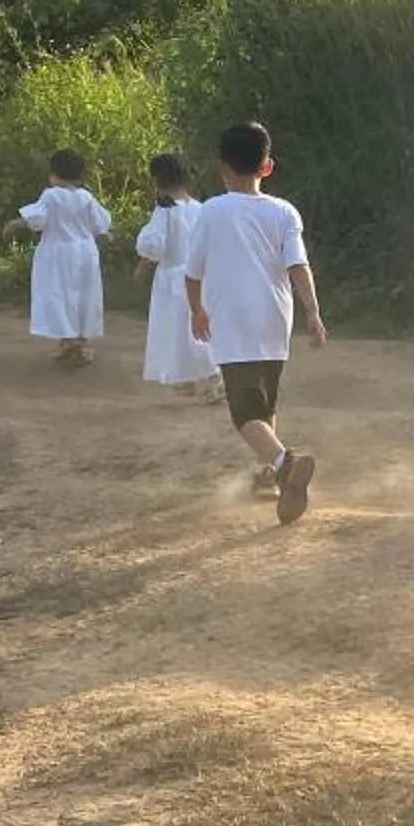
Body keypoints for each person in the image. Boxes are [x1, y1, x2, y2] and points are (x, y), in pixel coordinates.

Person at [185, 121, 327, 524]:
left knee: (244, 414)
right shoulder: (284, 211)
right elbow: (298, 265)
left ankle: (284, 465)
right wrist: (313, 312)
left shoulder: (211, 210)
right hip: (275, 319)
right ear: (267, 167)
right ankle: (271, 476)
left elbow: (192, 272)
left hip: (233, 320)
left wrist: (197, 309)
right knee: (265, 401)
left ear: (221, 168)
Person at [134, 153, 219, 396]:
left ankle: (214, 377)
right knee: (195, 327)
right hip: (200, 275)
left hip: (173, 277)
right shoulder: (200, 209)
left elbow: (155, 246)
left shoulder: (165, 211)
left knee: (179, 330)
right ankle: (189, 378)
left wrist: (142, 267)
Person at [18, 150, 112, 364]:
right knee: (86, 294)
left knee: (58, 294)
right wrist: (106, 234)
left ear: (53, 173)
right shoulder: (86, 196)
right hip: (86, 251)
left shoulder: (51, 195)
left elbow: (38, 218)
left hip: (58, 251)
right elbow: (100, 223)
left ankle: (69, 339)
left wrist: (15, 223)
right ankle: (80, 341)